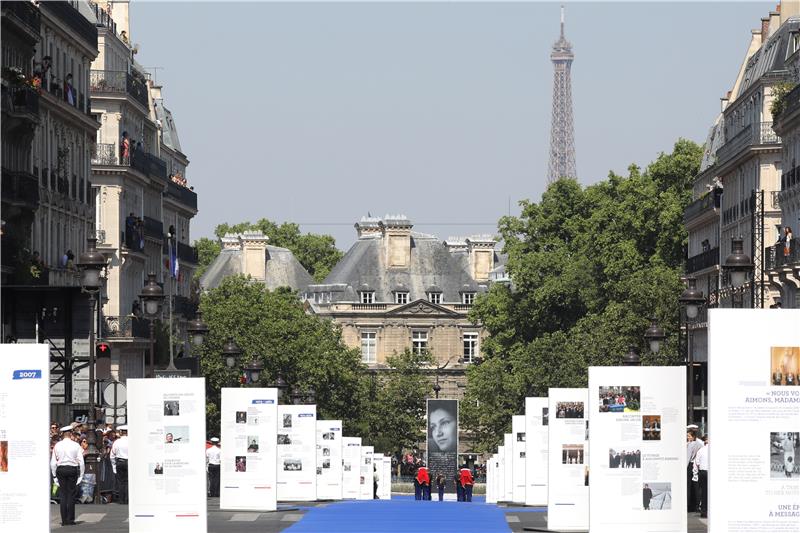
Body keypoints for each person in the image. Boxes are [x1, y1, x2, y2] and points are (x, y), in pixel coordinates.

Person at [51, 426, 84, 526]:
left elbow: (53, 463)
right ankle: (70, 519)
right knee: (71, 494)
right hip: (72, 469)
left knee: (63, 495)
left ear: (62, 434)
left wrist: (54, 476)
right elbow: (81, 462)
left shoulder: (57, 445)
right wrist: (81, 475)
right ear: (71, 434)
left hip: (61, 469)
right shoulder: (76, 445)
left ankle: (64, 520)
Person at [110, 425, 129, 504]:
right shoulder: (131, 441)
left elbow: (112, 455)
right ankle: (127, 499)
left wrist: (114, 466)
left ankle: (121, 500)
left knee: (121, 482)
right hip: (129, 462)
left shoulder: (117, 442)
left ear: (121, 432)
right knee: (128, 481)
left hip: (120, 462)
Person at [686, 428, 703, 512]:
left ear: (693, 436)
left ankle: (688, 506)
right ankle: (697, 505)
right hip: (696, 465)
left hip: (689, 465)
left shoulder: (690, 445)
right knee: (696, 486)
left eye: (689, 436)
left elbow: (687, 457)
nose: (687, 437)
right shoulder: (699, 444)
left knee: (688, 486)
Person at [694, 436, 709, 518]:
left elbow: (697, 462)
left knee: (704, 493)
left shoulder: (701, 450)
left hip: (703, 472)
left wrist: (696, 473)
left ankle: (704, 511)